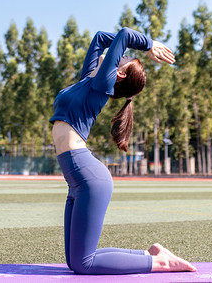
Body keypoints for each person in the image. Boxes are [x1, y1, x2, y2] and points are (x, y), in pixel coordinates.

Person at [50, 27, 197, 275]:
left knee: (83, 264)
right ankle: (150, 255)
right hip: (76, 180)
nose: (121, 54)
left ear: (117, 74)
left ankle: (160, 264)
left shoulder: (101, 86)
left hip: (87, 177)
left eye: (123, 59)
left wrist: (148, 44)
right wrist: (140, 48)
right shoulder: (89, 80)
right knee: (75, 262)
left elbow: (125, 35)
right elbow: (99, 38)